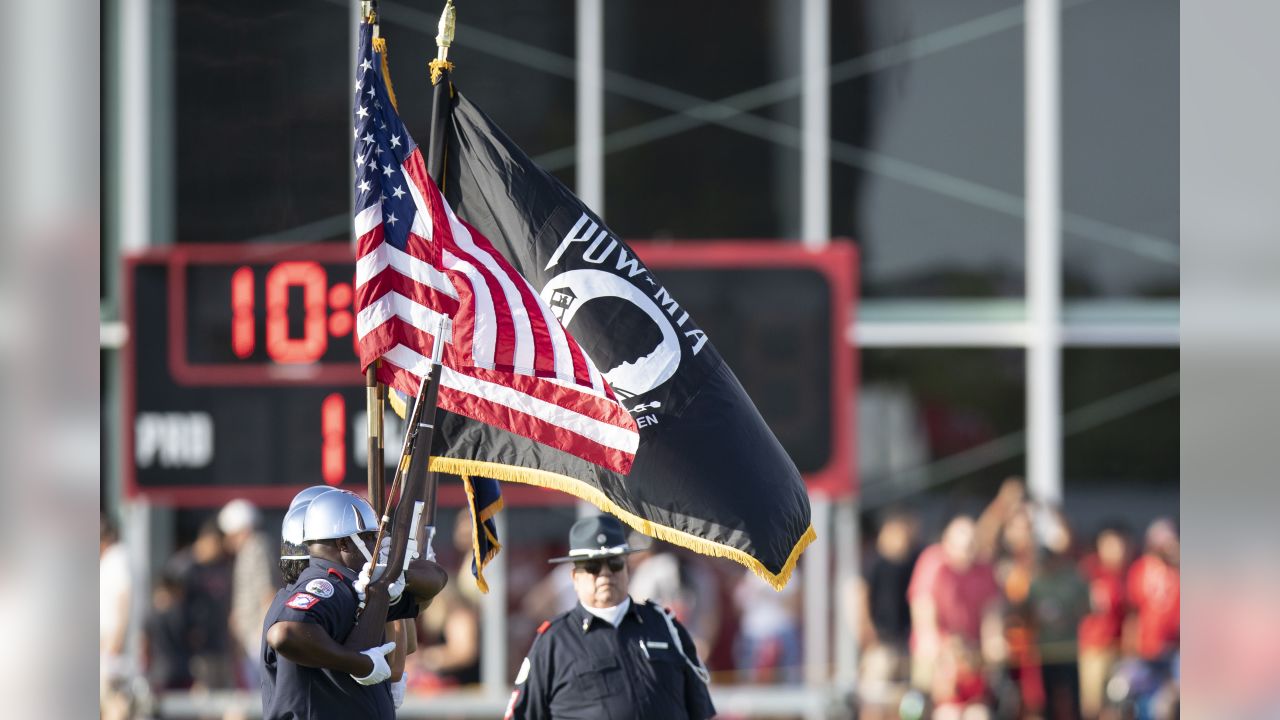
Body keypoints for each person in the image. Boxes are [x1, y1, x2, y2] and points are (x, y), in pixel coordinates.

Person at [261, 488, 448, 720]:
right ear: (343, 544)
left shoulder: (356, 586)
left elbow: (432, 585)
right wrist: (360, 663)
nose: (376, 545)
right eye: (369, 537)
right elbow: (285, 633)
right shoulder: (327, 586)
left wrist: (399, 573)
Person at [505, 514, 716, 720]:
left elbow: (700, 709)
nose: (605, 573)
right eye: (593, 566)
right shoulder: (555, 642)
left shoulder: (666, 627)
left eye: (614, 563)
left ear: (627, 567)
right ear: (575, 577)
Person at [220, 498, 281, 689]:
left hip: (257, 635)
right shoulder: (248, 550)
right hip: (249, 636)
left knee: (260, 691)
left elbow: (268, 591)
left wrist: (260, 634)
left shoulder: (257, 547)